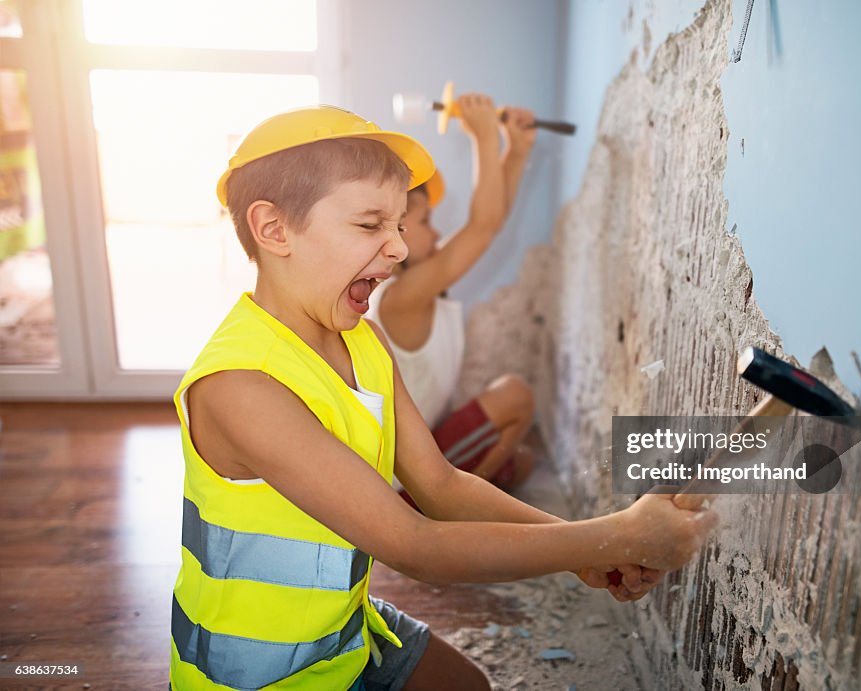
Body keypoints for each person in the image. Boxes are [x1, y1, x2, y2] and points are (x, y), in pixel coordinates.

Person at [169, 105, 718, 691]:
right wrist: (616, 536)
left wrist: (582, 552)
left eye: (400, 225)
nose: (400, 249)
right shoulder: (240, 386)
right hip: (257, 672)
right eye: (369, 225)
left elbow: (441, 486)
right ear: (274, 229)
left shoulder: (363, 340)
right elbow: (416, 547)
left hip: (342, 627)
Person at [367, 93, 535, 492]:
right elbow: (483, 226)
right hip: (403, 478)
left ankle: (453, 505)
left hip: (419, 450)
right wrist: (482, 138)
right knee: (515, 395)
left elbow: (490, 223)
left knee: (524, 460)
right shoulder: (400, 296)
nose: (439, 233)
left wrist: (515, 150)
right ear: (396, 233)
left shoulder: (421, 283)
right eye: (427, 221)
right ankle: (448, 508)